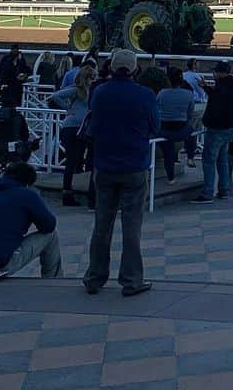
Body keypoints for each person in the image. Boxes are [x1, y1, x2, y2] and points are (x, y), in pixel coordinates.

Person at [83, 48, 160, 296]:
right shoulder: (145, 95)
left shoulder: (99, 92)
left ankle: (95, 277)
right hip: (134, 166)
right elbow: (155, 126)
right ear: (135, 69)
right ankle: (131, 280)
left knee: (102, 225)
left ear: (112, 68)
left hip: (104, 166)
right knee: (131, 226)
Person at [0, 161, 61, 282]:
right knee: (51, 236)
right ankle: (53, 281)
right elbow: (49, 226)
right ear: (28, 183)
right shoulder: (27, 195)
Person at [49, 66, 97, 205]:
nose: (93, 80)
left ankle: (77, 191)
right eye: (91, 77)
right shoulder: (76, 90)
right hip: (71, 128)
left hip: (83, 128)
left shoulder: (91, 91)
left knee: (79, 160)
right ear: (85, 78)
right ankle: (67, 193)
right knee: (71, 160)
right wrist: (68, 109)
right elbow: (56, 96)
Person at [194, 60, 233, 203]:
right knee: (222, 160)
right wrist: (207, 87)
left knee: (209, 160)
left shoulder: (222, 89)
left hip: (216, 129)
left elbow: (216, 103)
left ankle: (207, 193)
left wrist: (206, 121)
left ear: (220, 73)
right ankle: (224, 190)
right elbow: (217, 95)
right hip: (229, 128)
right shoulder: (232, 86)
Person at [156, 67, 196, 184]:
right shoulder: (188, 94)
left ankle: (171, 178)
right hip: (181, 128)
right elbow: (190, 113)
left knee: (168, 153)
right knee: (192, 132)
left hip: (164, 129)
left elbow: (157, 109)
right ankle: (190, 156)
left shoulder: (162, 93)